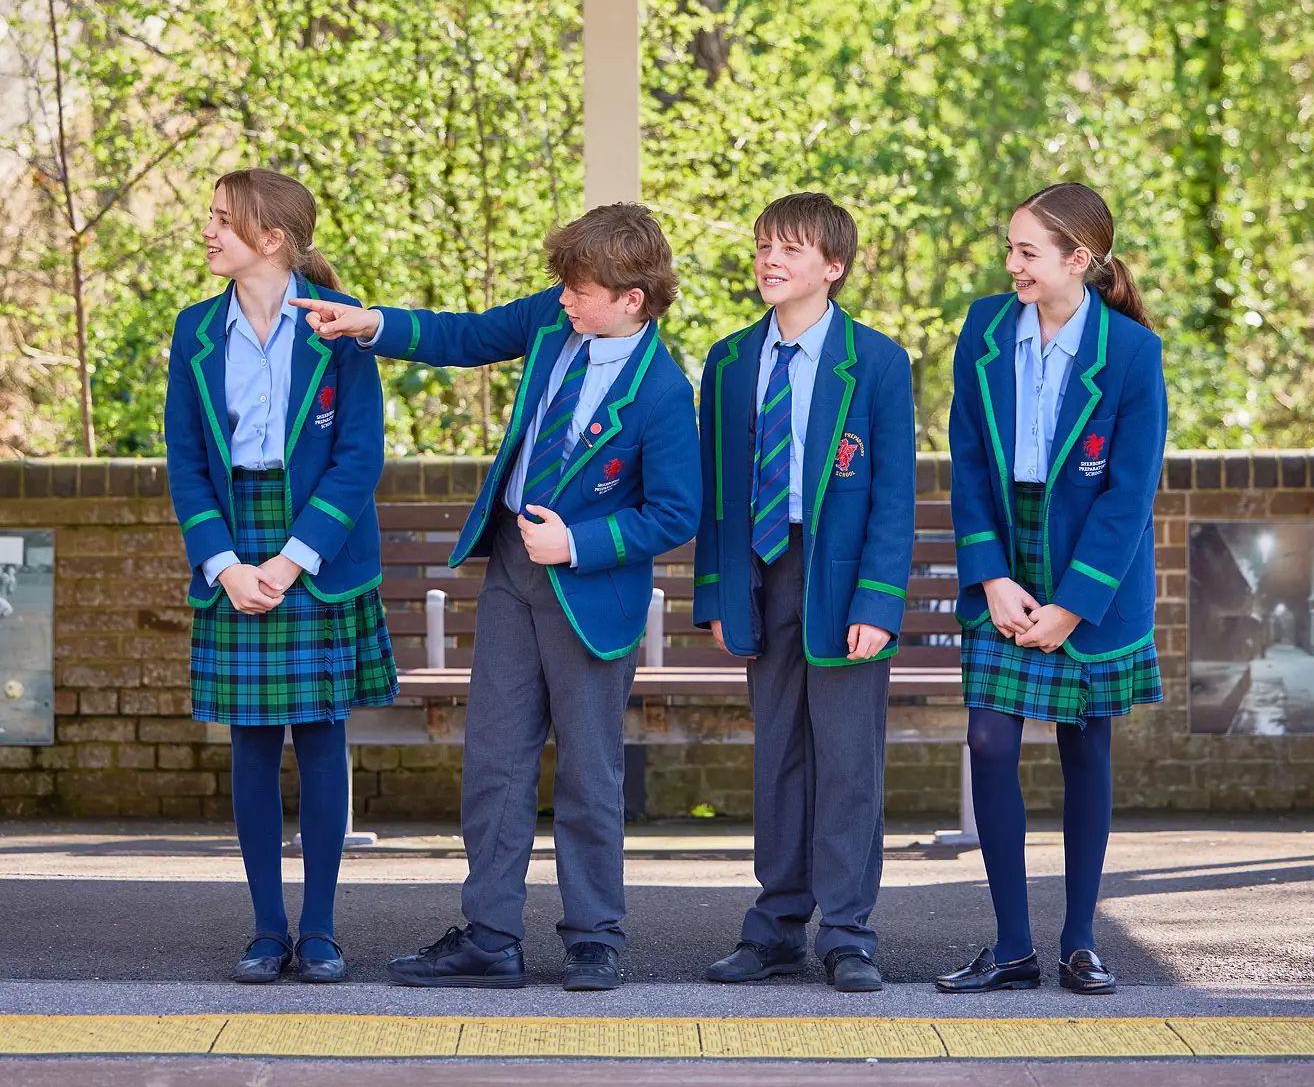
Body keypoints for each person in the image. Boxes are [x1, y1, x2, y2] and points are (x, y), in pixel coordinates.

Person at [294, 202, 700, 992]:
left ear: (632, 299)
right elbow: (468, 336)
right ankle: (490, 936)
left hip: (590, 591)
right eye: (564, 286)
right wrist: (371, 322)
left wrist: (578, 543)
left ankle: (595, 938)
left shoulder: (662, 390)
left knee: (589, 772)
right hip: (513, 569)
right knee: (494, 760)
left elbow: (676, 513)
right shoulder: (554, 320)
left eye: (581, 291)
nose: (565, 300)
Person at [164, 169, 395, 986]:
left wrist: (292, 560)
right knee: (252, 744)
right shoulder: (194, 332)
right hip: (234, 547)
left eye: (224, 220)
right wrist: (225, 565)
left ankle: (321, 930)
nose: (208, 231)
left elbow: (358, 457)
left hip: (315, 555)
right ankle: (267, 931)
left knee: (322, 736)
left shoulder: (338, 323)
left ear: (272, 239)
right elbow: (186, 462)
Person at [937, 182, 1166, 998]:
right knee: (990, 742)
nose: (1012, 264)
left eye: (1027, 251)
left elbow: (1129, 495)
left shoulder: (1133, 353)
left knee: (1085, 747)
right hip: (1007, 554)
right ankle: (1011, 949)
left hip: (1091, 571)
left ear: (1078, 259)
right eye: (1010, 247)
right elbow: (968, 458)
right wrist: (991, 575)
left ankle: (1079, 944)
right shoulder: (984, 329)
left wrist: (1073, 605)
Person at [695, 193, 916, 993]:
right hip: (762, 574)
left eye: (789, 248)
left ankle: (849, 932)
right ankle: (777, 928)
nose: (770, 260)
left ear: (833, 267)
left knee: (848, 761)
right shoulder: (728, 362)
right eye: (763, 246)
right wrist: (719, 594)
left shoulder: (877, 362)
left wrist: (878, 603)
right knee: (778, 756)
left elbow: (893, 496)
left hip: (842, 580)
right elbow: (716, 493)